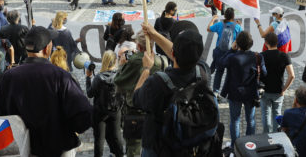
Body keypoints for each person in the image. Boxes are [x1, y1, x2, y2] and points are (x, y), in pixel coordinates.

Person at [0, 26, 93, 157]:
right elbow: (83, 116)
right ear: (48, 48)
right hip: (59, 149)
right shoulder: (61, 77)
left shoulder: (9, 77)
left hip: (23, 150)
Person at [134, 21, 222, 156]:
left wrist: (146, 69)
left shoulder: (156, 83)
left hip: (159, 148)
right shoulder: (204, 73)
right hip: (192, 147)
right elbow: (178, 53)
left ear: (173, 54)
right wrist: (154, 34)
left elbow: (136, 99)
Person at [114, 29, 166, 157]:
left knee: (133, 148)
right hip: (154, 109)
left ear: (138, 45)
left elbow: (119, 81)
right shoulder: (161, 60)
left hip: (135, 109)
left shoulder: (134, 60)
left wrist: (121, 66)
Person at [220, 31, 266, 146]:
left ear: (237, 43)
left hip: (234, 93)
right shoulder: (257, 56)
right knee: (250, 119)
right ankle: (249, 143)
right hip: (251, 93)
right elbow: (264, 73)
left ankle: (236, 144)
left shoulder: (232, 57)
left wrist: (231, 49)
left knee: (235, 120)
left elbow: (220, 63)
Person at [86, 50, 125, 157]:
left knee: (99, 140)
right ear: (115, 61)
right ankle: (120, 155)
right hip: (115, 110)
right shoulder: (120, 75)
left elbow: (89, 93)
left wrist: (88, 78)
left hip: (99, 112)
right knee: (117, 136)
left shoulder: (99, 78)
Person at [260, 32, 295, 133]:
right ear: (277, 42)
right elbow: (292, 75)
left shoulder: (261, 56)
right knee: (277, 114)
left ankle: (266, 136)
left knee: (266, 115)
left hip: (265, 90)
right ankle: (277, 136)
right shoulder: (284, 56)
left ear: (266, 43)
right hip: (278, 91)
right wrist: (284, 89)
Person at [207, 7, 242, 95]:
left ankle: (215, 91)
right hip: (232, 53)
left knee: (219, 72)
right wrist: (239, 26)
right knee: (230, 73)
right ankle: (229, 91)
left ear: (225, 16)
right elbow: (241, 38)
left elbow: (208, 28)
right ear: (233, 16)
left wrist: (213, 19)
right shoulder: (237, 27)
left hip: (220, 52)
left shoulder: (219, 24)